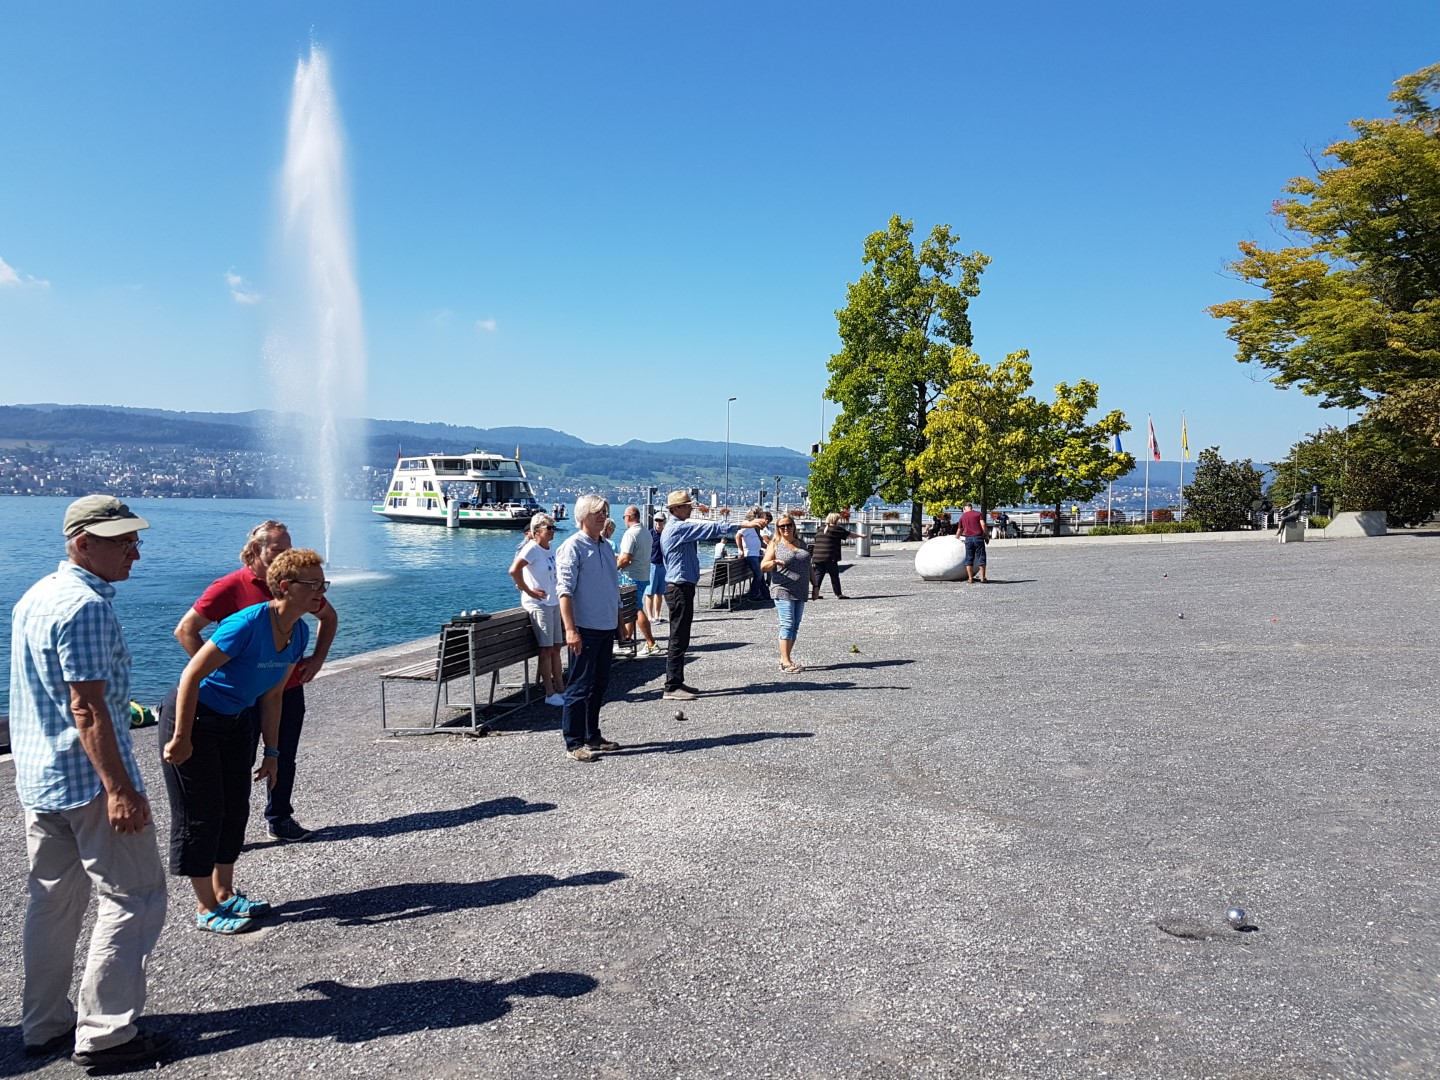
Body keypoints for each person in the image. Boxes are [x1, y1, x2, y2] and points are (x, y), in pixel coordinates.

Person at [8, 496, 170, 1071]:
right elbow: (89, 709)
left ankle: (44, 1024)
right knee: (134, 897)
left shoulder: (36, 596)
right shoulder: (85, 608)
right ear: (82, 542)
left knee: (52, 905)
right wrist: (121, 789)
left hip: (41, 776)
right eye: (122, 540)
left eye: (134, 538)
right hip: (88, 783)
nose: (135, 550)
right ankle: (105, 1033)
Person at [159, 548, 320, 935]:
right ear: (285, 587)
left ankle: (225, 893)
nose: (321, 591)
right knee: (203, 812)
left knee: (236, 809)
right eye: (312, 584)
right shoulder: (246, 625)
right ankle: (205, 907)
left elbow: (273, 696)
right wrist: (181, 737)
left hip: (235, 721)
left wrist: (273, 752)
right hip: (195, 718)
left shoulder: (299, 632)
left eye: (323, 583)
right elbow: (191, 676)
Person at [174, 519, 337, 843]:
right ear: (254, 551)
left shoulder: (300, 586)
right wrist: (222, 672)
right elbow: (186, 630)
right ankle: (230, 831)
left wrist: (317, 659)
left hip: (283, 689)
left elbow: (329, 617)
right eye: (277, 549)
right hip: (243, 697)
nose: (284, 555)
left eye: (287, 549)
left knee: (281, 755)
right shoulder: (230, 586)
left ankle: (279, 818)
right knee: (239, 763)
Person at [658, 490, 767, 701]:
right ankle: (671, 686)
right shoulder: (679, 528)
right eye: (687, 505)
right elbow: (712, 527)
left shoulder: (678, 527)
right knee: (678, 637)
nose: (691, 508)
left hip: (682, 586)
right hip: (679, 588)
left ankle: (676, 682)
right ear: (676, 509)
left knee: (681, 636)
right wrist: (745, 524)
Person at [554, 495, 621, 761]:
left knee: (600, 684)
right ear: (583, 516)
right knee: (579, 687)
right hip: (585, 626)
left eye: (604, 511)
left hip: (605, 625)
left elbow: (612, 587)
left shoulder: (604, 545)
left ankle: (593, 734)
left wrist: (618, 621)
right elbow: (564, 591)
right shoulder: (573, 547)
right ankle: (574, 742)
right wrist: (571, 630)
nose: (603, 516)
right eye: (597, 513)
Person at [509, 512, 565, 705]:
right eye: (548, 528)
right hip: (539, 604)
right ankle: (549, 693)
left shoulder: (549, 549)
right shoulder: (531, 549)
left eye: (552, 527)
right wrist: (529, 591)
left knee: (557, 646)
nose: (552, 531)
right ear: (536, 531)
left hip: (553, 601)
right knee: (547, 648)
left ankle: (560, 687)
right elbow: (514, 570)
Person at [760, 514, 812, 674]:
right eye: (782, 526)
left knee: (795, 625)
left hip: (801, 589)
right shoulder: (775, 544)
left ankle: (786, 658)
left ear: (793, 526)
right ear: (778, 529)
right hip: (782, 588)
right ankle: (785, 661)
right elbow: (763, 566)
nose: (785, 528)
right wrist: (774, 562)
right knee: (787, 623)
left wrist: (815, 585)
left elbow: (809, 566)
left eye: (788, 525)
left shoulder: (801, 543)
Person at [615, 505, 660, 655]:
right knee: (631, 608)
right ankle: (627, 640)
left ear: (628, 517)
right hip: (643, 574)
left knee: (635, 609)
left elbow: (626, 558)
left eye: (623, 517)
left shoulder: (630, 534)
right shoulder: (646, 533)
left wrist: (613, 568)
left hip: (631, 576)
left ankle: (651, 643)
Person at [809, 512, 851, 600]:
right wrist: (861, 536)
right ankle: (839, 594)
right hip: (829, 556)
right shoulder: (836, 528)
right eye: (838, 519)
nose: (839, 521)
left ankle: (815, 593)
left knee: (818, 575)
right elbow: (849, 534)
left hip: (817, 556)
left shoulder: (821, 528)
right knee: (834, 575)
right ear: (835, 520)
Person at [737, 506, 769, 603]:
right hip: (750, 554)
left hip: (756, 553)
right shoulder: (747, 525)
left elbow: (759, 540)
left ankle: (765, 595)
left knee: (761, 575)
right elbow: (738, 535)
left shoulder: (756, 528)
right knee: (759, 574)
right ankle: (753, 595)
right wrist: (740, 550)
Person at [959, 501, 989, 583]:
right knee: (981, 557)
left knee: (969, 558)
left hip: (968, 538)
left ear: (964, 508)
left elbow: (960, 529)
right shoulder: (978, 514)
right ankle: (983, 578)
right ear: (971, 507)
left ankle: (970, 578)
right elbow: (983, 524)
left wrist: (956, 538)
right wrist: (986, 535)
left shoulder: (962, 516)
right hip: (978, 538)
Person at [646, 512, 667, 624]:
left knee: (660, 592)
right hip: (652, 565)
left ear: (664, 521)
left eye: (660, 520)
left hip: (663, 566)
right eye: (657, 520)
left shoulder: (666, 534)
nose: (658, 522)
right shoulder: (650, 534)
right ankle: (649, 616)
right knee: (650, 592)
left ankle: (657, 615)